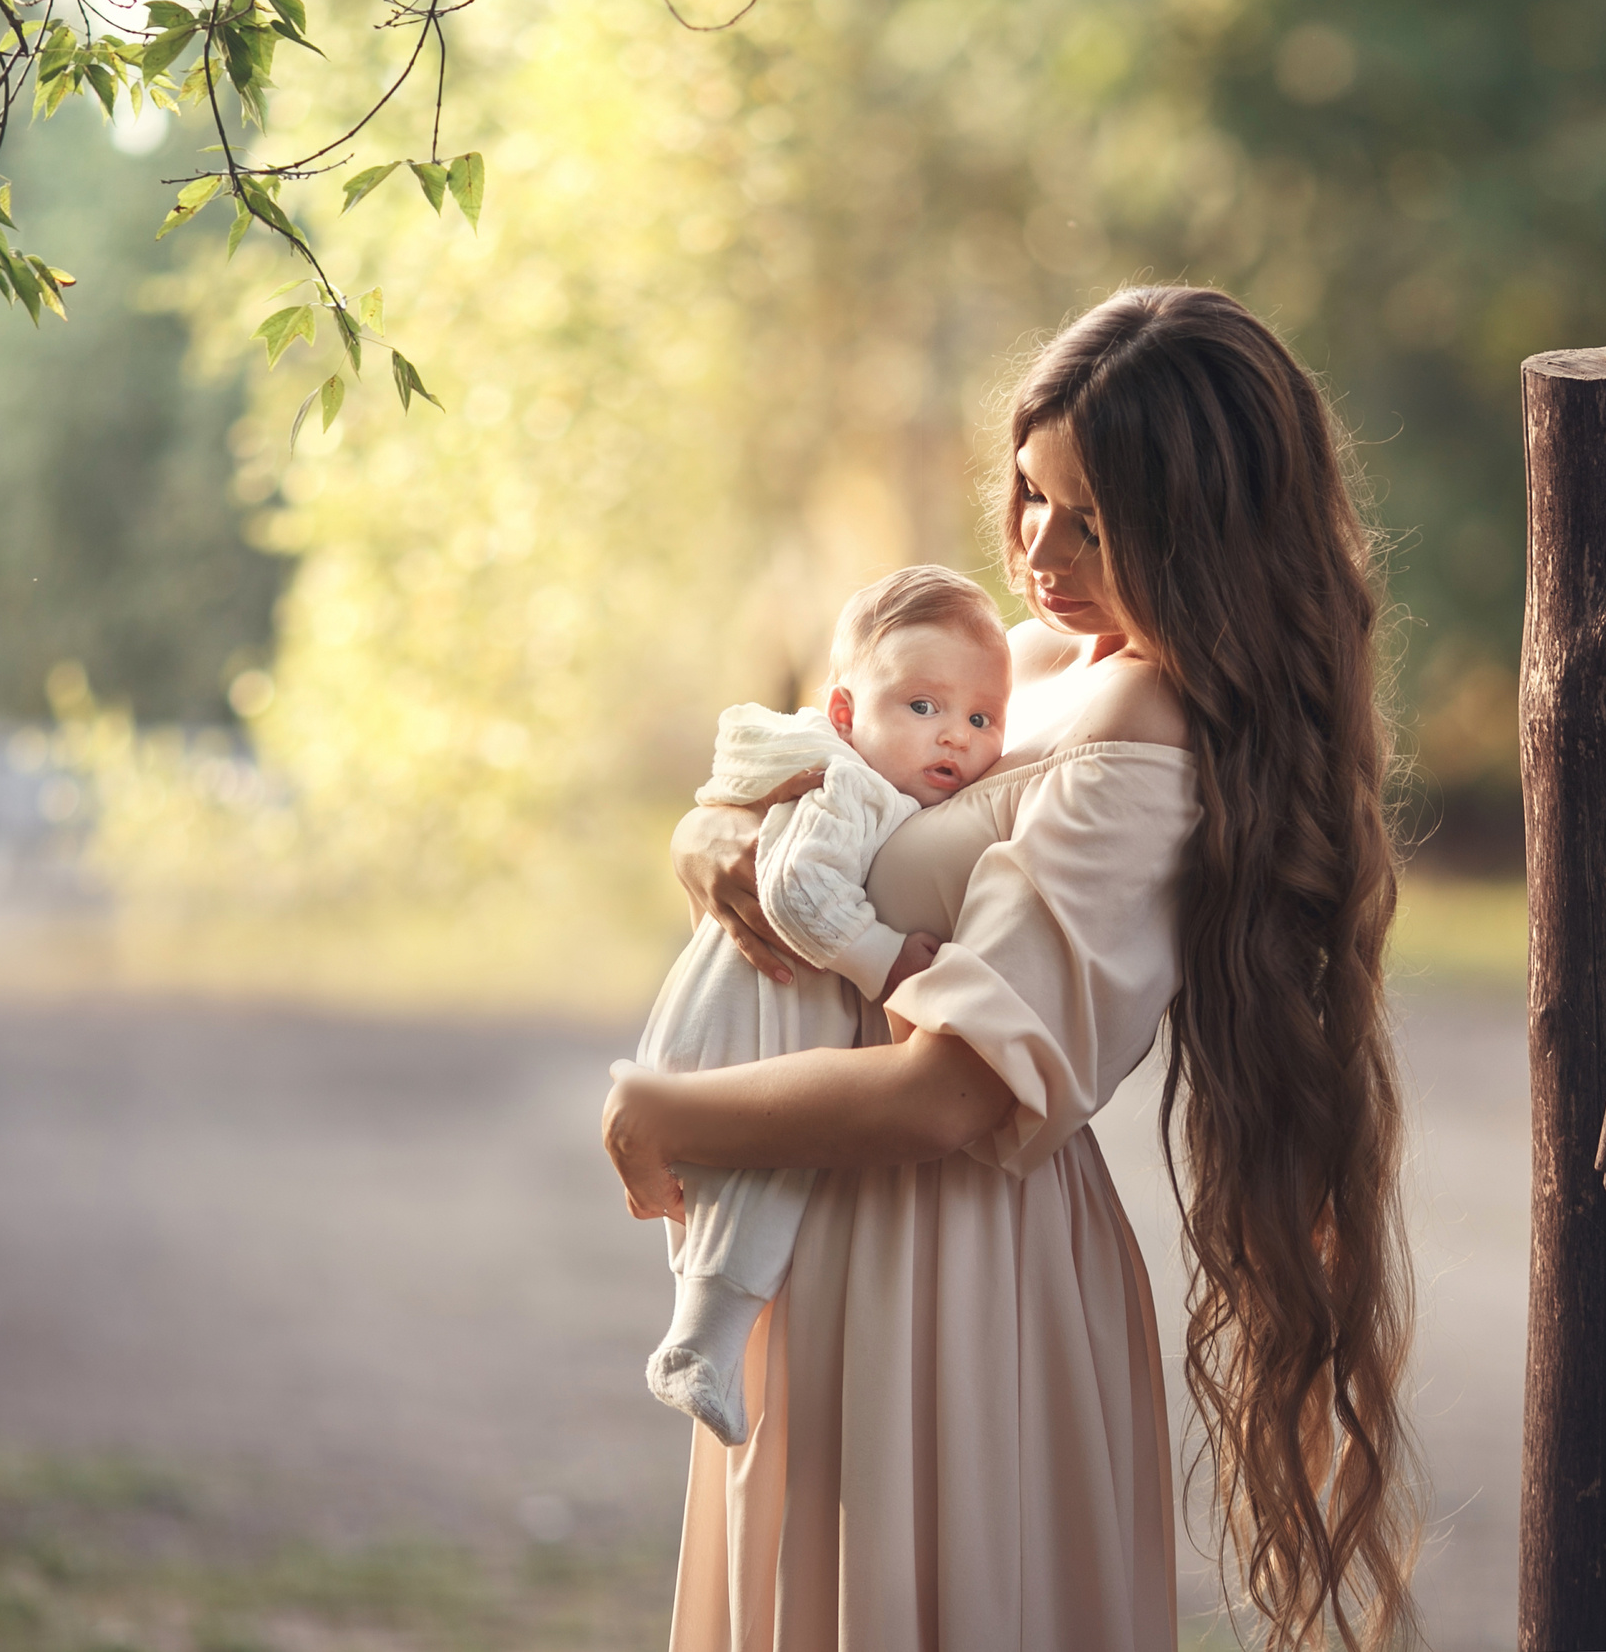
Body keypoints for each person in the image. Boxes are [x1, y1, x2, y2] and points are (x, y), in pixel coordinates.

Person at [602, 286, 1418, 1652]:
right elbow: (794, 778)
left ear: (1203, 532)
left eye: (1095, 521)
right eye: (1034, 495)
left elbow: (960, 1097)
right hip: (829, 1226)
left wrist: (658, 1113)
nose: (1042, 546)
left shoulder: (1145, 739)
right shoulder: (1015, 658)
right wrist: (710, 843)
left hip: (953, 1261)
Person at [638, 566, 1011, 1447]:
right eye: (921, 706)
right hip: (755, 1007)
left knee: (742, 1189)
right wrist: (885, 963)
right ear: (844, 715)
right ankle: (701, 1348)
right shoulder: (850, 786)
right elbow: (798, 886)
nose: (953, 735)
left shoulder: (879, 782)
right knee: (752, 1187)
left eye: (981, 718)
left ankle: (703, 1346)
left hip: (771, 1005)